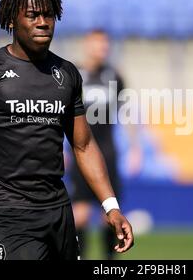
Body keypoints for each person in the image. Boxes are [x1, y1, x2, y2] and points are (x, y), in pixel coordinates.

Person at [0, 0, 134, 260]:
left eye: (48, 15)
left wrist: (111, 207)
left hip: (59, 213)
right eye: (33, 15)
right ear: (12, 20)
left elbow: (83, 145)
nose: (43, 22)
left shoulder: (67, 74)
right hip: (8, 215)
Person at [68, 29, 142, 260]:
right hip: (80, 151)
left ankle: (110, 261)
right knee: (78, 213)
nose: (102, 49)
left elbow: (127, 112)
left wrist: (135, 147)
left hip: (107, 152)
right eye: (98, 44)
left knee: (109, 213)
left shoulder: (114, 76)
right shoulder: (74, 75)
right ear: (87, 45)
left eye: (105, 45)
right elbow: (62, 114)